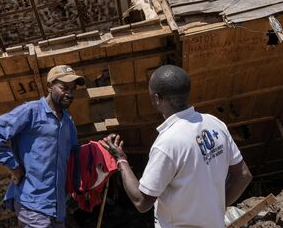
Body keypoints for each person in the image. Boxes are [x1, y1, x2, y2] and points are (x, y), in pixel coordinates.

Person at [101, 65, 252, 228]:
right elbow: (243, 176)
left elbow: (142, 201)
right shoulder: (214, 123)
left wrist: (121, 160)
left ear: (157, 99)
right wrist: (216, 209)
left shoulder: (167, 143)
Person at [0, 65, 85, 228]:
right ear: (50, 86)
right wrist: (13, 166)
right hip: (32, 204)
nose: (70, 93)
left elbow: (73, 156)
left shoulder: (68, 121)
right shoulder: (31, 111)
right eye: (64, 88)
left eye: (73, 89)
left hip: (57, 210)